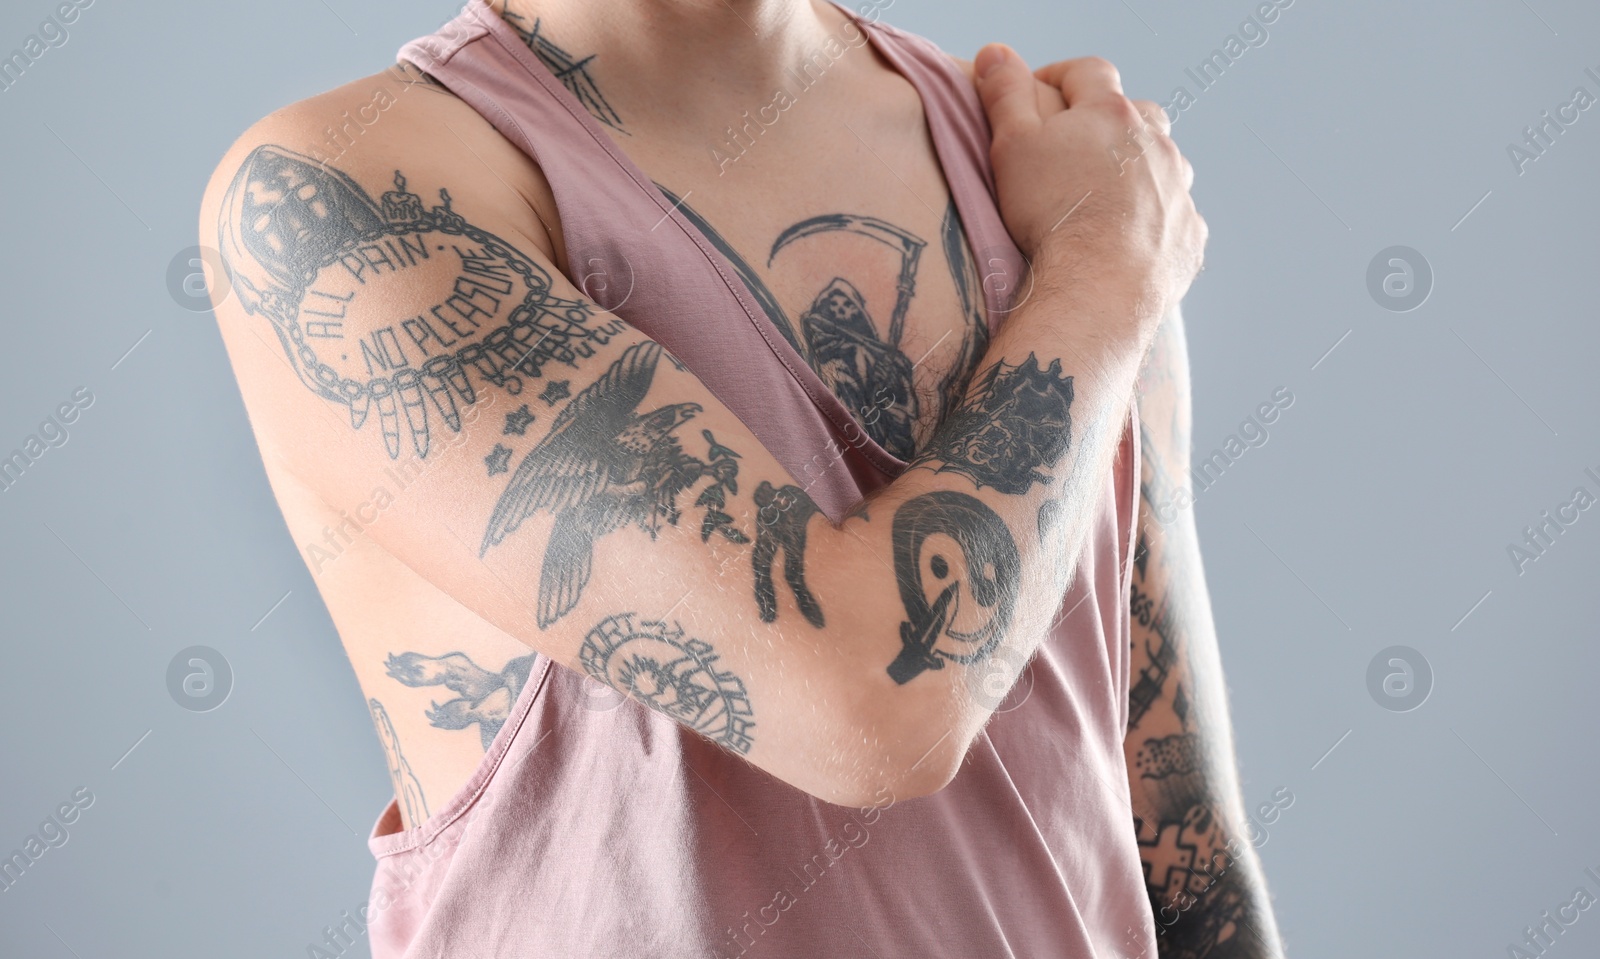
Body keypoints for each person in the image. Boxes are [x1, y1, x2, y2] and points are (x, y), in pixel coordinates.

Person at [200, 0, 1284, 955]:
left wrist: (1105, 261)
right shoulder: (343, 193)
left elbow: (1182, 849)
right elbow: (868, 707)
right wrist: (1102, 267)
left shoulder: (1044, 163)